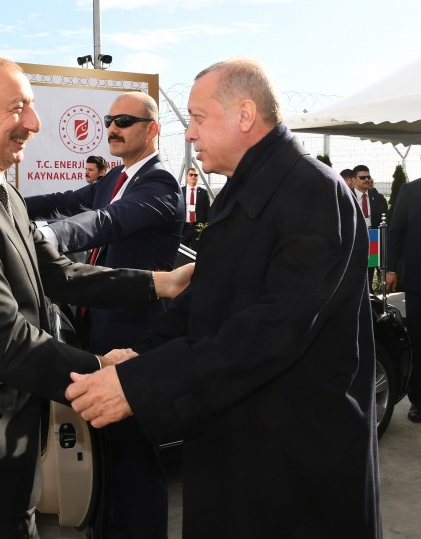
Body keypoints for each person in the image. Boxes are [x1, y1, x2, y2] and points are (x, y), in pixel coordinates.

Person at [66, 58, 381, 539]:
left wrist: (141, 382)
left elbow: (271, 332)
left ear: (245, 114)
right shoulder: (247, 189)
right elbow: (203, 300)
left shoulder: (312, 193)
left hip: (293, 465)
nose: (189, 133)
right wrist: (139, 355)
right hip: (239, 447)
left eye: (197, 117)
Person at [0, 55, 192, 539]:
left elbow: (58, 273)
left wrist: (161, 283)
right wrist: (101, 370)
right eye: (18, 108)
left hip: (0, 454)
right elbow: (0, 340)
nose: (34, 122)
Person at [26, 91, 184, 539]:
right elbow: (64, 201)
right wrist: (4, 205)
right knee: (109, 457)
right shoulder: (114, 178)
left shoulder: (160, 185)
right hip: (98, 333)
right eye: (110, 119)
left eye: (125, 121)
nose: (112, 128)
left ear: (152, 129)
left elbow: (105, 222)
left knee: (134, 458)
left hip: (135, 339)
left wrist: (45, 238)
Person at [387, 178, 421, 423]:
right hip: (418, 281)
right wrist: (390, 268)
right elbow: (396, 231)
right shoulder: (411, 191)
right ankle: (418, 399)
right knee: (418, 340)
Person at [353, 164, 388, 291]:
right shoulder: (347, 196)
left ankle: (369, 294)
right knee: (355, 269)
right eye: (363, 177)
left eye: (368, 177)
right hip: (355, 237)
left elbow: (384, 218)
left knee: (370, 269)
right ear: (354, 179)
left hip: (373, 236)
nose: (367, 179)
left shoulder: (377, 198)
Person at [180, 166, 210, 250]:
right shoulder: (180, 191)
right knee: (182, 252)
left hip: (197, 227)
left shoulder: (204, 193)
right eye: (191, 175)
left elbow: (207, 211)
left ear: (198, 177)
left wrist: (206, 228)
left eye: (195, 175)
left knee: (196, 252)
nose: (193, 176)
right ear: (187, 176)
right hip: (184, 227)